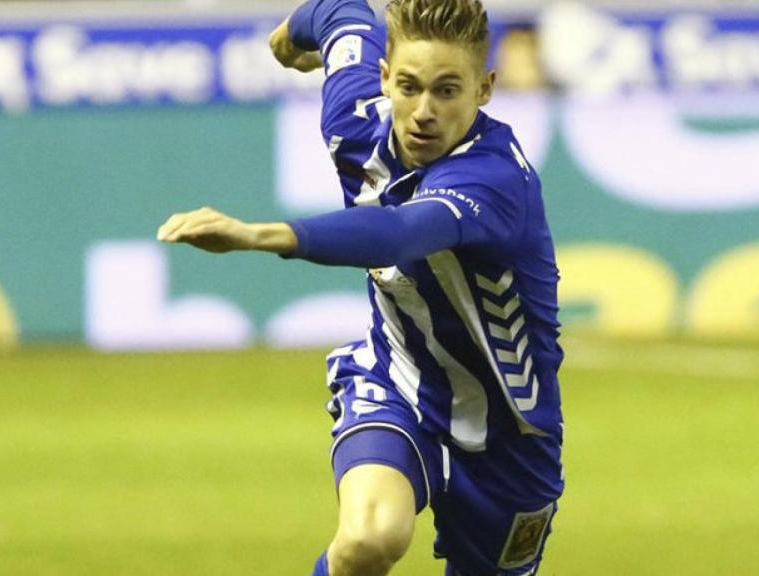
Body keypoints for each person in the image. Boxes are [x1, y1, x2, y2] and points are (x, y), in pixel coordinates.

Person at [157, 1, 564, 574]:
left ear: (485, 89)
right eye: (409, 86)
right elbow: (340, 14)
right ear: (383, 79)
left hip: (511, 437)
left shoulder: (494, 179)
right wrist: (288, 39)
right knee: (369, 540)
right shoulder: (355, 115)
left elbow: (397, 233)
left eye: (448, 91)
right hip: (399, 383)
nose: (423, 111)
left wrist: (256, 235)